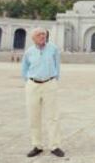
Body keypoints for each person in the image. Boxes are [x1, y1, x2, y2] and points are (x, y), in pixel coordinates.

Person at [21, 27, 65, 158]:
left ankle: (55, 145)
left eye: (44, 34)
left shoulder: (53, 49)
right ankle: (37, 145)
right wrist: (29, 81)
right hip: (33, 85)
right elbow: (24, 68)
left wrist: (55, 79)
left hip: (50, 83)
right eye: (39, 35)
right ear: (33, 38)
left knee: (53, 116)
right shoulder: (29, 52)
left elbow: (58, 65)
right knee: (33, 116)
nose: (42, 36)